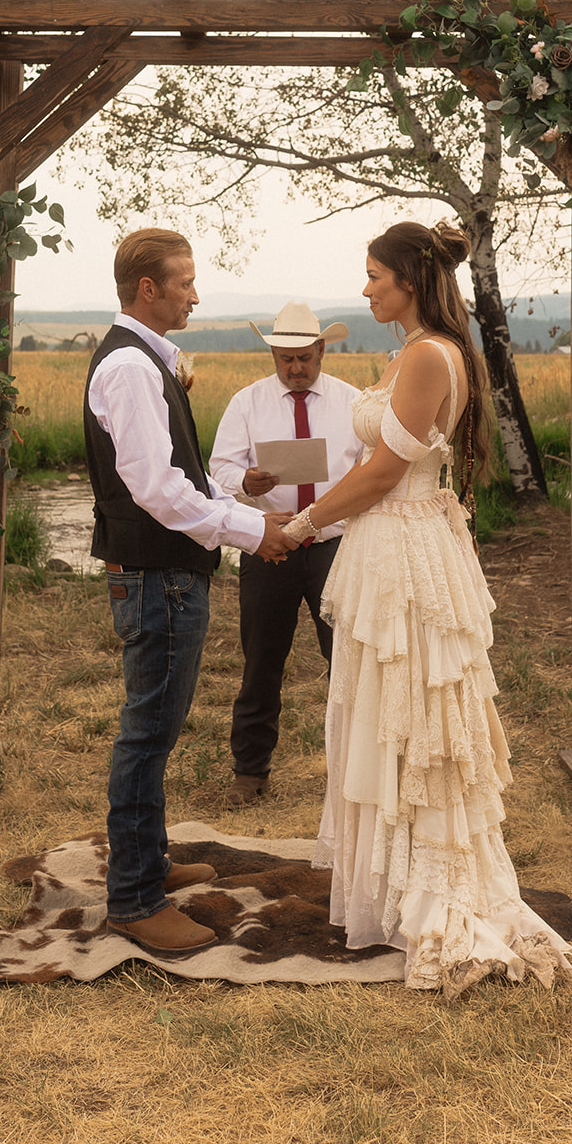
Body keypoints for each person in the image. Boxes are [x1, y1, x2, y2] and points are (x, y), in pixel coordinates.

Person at [279, 220, 572, 995]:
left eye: (375, 274)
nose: (367, 286)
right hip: (396, 541)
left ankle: (432, 890)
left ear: (410, 278)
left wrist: (302, 524)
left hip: (403, 546)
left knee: (410, 715)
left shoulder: (424, 355)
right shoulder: (423, 350)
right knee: (391, 711)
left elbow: (382, 474)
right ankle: (389, 880)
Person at [84, 228, 295, 957]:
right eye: (184, 282)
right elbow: (156, 489)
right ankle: (135, 899)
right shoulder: (133, 370)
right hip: (158, 578)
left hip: (163, 575)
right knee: (147, 734)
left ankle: (149, 859)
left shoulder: (145, 361)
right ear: (148, 288)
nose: (194, 295)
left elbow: (188, 478)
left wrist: (242, 512)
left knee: (155, 731)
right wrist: (248, 533)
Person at [210, 302, 364, 806]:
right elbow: (220, 471)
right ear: (273, 354)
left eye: (304, 357)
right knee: (261, 660)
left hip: (335, 544)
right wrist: (245, 482)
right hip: (268, 542)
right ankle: (249, 771)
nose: (296, 369)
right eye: (285, 359)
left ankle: (358, 772)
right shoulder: (247, 403)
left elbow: (370, 471)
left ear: (322, 351)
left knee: (347, 658)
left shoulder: (352, 403)